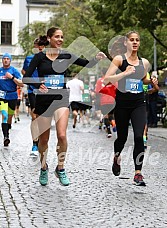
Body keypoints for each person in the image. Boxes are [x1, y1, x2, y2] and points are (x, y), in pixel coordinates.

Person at [23, 26, 105, 186]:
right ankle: (44, 167)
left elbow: (86, 64)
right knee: (44, 140)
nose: (60, 40)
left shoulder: (66, 55)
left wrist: (96, 58)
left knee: (61, 135)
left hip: (61, 99)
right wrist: (39, 84)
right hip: (44, 101)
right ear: (49, 38)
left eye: (62, 37)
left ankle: (60, 168)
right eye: (57, 37)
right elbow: (26, 78)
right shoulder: (39, 57)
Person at [104, 31, 158, 186]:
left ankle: (138, 173)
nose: (135, 42)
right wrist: (124, 73)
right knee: (122, 138)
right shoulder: (119, 60)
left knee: (139, 137)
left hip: (138, 104)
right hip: (122, 104)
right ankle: (117, 156)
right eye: (132, 40)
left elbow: (143, 80)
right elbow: (107, 79)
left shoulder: (144, 63)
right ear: (126, 43)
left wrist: (151, 82)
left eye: (137, 40)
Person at [21, 37, 45, 156]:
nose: (40, 47)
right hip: (33, 90)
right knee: (35, 116)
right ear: (35, 46)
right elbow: (23, 71)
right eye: (38, 45)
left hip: (46, 91)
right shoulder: (29, 58)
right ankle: (35, 143)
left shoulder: (49, 58)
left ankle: (42, 141)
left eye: (42, 45)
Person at [0, 53, 23, 146]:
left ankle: (7, 130)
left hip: (12, 96)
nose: (5, 60)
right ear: (2, 60)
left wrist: (12, 77)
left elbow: (21, 84)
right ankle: (6, 137)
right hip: (2, 96)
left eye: (7, 59)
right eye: (4, 58)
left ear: (10, 60)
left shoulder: (14, 71)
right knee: (4, 116)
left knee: (9, 117)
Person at [95, 68, 117, 138]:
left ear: (102, 73)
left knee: (105, 115)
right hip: (112, 100)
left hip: (104, 100)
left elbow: (97, 91)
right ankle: (113, 124)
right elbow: (117, 88)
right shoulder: (113, 80)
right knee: (111, 114)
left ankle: (109, 132)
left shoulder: (100, 80)